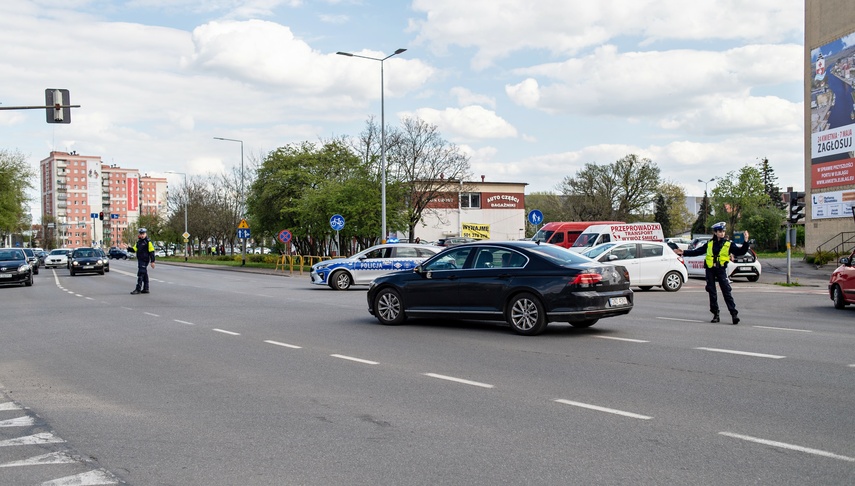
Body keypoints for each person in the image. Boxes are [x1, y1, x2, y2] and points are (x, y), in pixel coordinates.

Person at [680, 222, 750, 324]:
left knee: (727, 292)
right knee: (712, 293)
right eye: (720, 231)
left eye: (723, 231)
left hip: (721, 270)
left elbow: (740, 252)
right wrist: (683, 252)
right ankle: (716, 314)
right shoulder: (709, 244)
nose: (722, 233)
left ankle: (734, 314)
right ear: (715, 232)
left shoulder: (728, 244)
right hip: (710, 270)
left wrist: (746, 241)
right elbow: (697, 251)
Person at [128, 227, 156, 294]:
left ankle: (138, 289)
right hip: (140, 260)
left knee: (140, 273)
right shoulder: (138, 242)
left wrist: (152, 261)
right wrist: (128, 248)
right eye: (141, 234)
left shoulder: (148, 242)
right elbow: (134, 249)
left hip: (145, 260)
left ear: (145, 234)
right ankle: (146, 288)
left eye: (143, 234)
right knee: (144, 274)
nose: (142, 235)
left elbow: (152, 252)